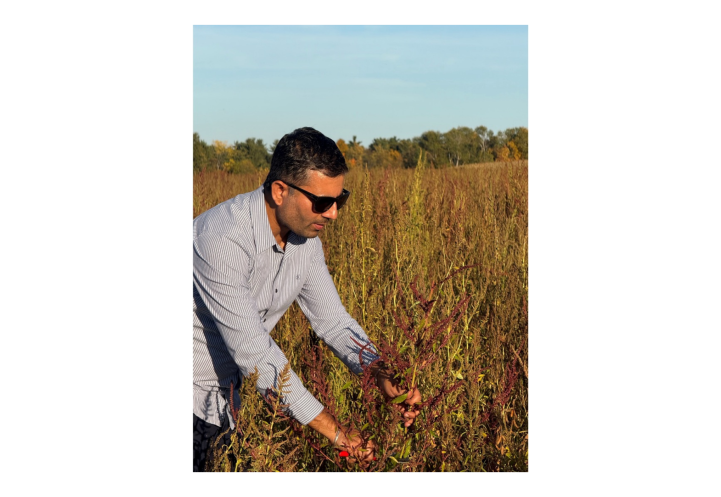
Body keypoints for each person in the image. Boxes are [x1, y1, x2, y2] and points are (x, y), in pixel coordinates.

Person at [193, 127, 421, 471]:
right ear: (280, 191)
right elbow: (254, 350)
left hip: (234, 402)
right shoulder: (221, 238)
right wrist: (337, 433)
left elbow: (333, 321)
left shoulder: (305, 240)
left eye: (339, 199)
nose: (333, 213)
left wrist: (382, 374)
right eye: (322, 202)